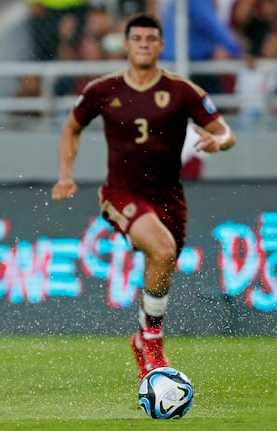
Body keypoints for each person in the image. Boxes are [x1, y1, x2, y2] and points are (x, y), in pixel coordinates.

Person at [51, 13, 236, 380]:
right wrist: (66, 176)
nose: (144, 44)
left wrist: (219, 141)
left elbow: (224, 130)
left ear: (160, 45)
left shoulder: (182, 90)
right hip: (121, 193)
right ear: (126, 44)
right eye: (137, 38)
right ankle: (152, 340)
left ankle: (143, 335)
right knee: (163, 249)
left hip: (169, 196)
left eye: (151, 39)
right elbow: (72, 127)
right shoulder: (103, 89)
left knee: (164, 261)